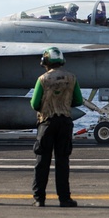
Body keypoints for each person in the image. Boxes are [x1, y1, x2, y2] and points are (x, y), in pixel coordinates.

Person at [30, 47, 84, 207]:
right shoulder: (71, 78)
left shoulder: (42, 79)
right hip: (65, 123)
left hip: (46, 123)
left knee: (42, 161)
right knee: (62, 162)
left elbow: (34, 103)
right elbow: (78, 101)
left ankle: (39, 198)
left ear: (45, 62)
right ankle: (64, 198)